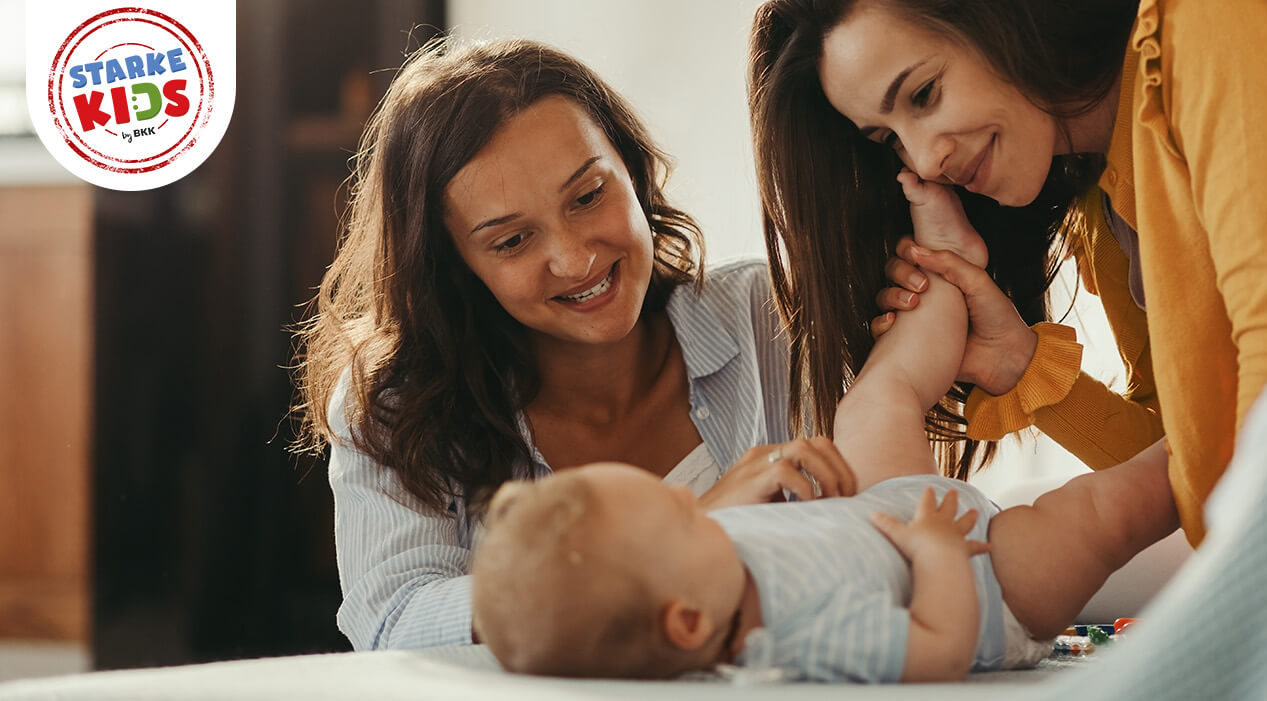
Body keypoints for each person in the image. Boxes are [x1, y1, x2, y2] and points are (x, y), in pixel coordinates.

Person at [470, 179, 1178, 681]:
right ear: (689, 622)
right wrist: (936, 555)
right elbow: (938, 652)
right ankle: (1221, 440)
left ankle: (947, 264)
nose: (705, 507)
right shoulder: (796, 637)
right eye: (686, 518)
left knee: (873, 404)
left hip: (882, 509)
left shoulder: (698, 567)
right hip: (983, 577)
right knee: (1100, 511)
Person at [289, 37, 856, 651]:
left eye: (588, 197)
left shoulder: (769, 316)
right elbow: (396, 624)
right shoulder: (400, 402)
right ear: (456, 266)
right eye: (511, 242)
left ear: (632, 171)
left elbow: (887, 534)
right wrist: (690, 530)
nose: (575, 258)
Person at [748, 0, 1267, 545]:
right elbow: (1196, 473)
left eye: (925, 93)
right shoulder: (1103, 204)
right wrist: (1018, 361)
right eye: (890, 141)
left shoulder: (1215, 22)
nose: (925, 159)